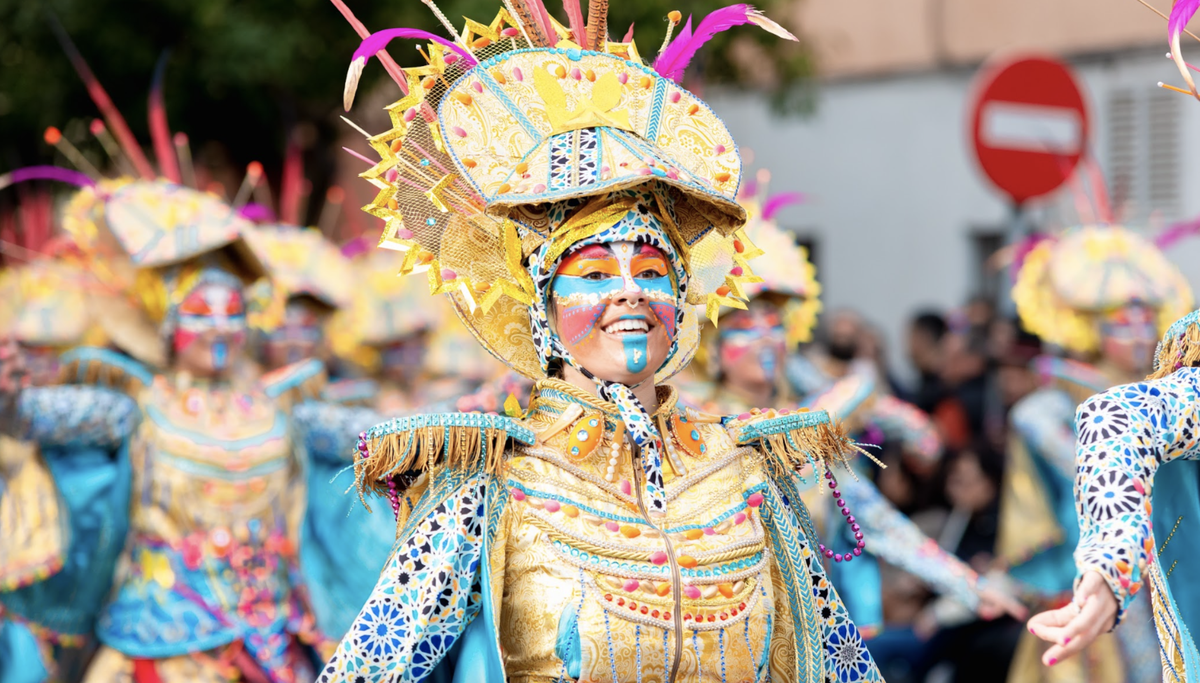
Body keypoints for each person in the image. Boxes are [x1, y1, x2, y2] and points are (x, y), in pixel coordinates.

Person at [320, 4, 889, 680]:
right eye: (592, 274)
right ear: (544, 308)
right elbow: (367, 669)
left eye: (652, 272)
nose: (630, 293)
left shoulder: (747, 471)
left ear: (680, 300)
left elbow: (836, 663)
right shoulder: (491, 482)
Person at [1006, 224, 1192, 683]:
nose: (1138, 335)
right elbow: (1107, 447)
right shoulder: (1047, 408)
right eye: (1121, 323)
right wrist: (1113, 565)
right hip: (1094, 569)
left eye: (1147, 322)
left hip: (1171, 564)